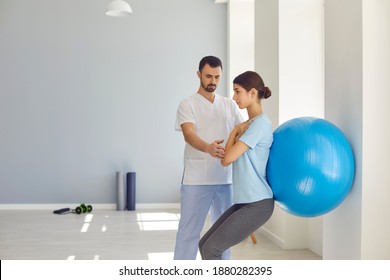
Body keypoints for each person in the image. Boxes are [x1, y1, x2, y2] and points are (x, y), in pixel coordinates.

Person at [198, 71, 274, 260]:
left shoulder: (260, 124)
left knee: (211, 250)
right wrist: (236, 130)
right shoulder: (248, 124)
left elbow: (228, 157)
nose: (233, 97)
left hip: (258, 203)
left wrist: (235, 131)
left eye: (237, 91)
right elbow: (225, 161)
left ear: (253, 93)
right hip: (244, 202)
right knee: (204, 245)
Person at [174, 56, 244, 260]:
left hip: (225, 180)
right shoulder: (187, 104)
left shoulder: (229, 105)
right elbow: (189, 134)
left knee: (224, 235)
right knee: (188, 233)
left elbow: (242, 132)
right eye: (208, 76)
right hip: (196, 181)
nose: (212, 81)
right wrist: (208, 148)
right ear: (199, 75)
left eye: (217, 77)